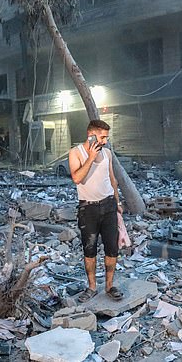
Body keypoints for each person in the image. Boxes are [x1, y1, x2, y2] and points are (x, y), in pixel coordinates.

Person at [68, 119, 124, 303]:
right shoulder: (76, 153)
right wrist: (91, 158)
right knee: (90, 249)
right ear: (91, 135)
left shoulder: (107, 153)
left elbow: (112, 179)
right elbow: (77, 178)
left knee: (112, 248)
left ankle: (109, 286)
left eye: (107, 137)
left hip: (108, 206)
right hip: (88, 208)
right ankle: (92, 286)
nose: (105, 141)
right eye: (102, 137)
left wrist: (118, 203)